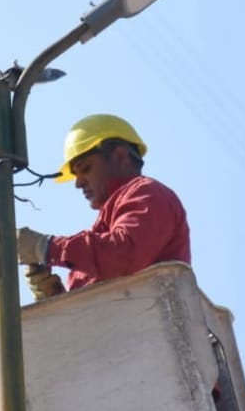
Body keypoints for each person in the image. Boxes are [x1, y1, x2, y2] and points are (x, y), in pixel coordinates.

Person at [16, 113, 191, 301]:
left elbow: (124, 255)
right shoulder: (103, 230)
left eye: (86, 169)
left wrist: (48, 248)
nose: (78, 183)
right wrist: (53, 295)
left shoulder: (149, 193)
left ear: (120, 157)